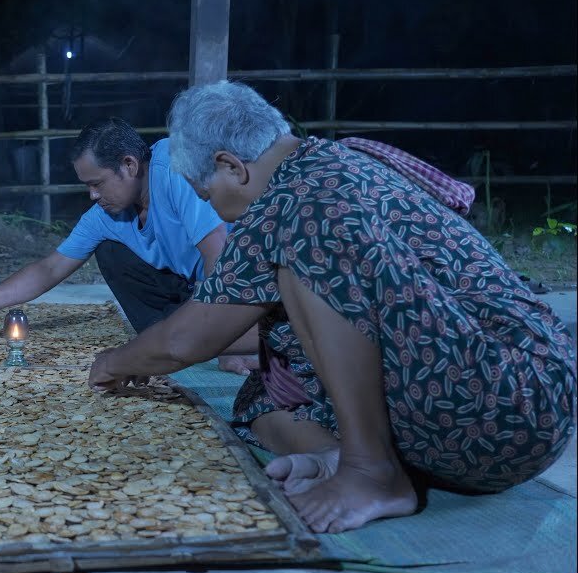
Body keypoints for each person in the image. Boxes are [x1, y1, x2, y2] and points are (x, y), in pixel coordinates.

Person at [87, 80, 576, 533]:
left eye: (208, 193)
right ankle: (334, 455)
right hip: (506, 402)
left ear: (232, 167)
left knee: (306, 247)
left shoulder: (299, 198)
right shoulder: (327, 162)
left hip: (509, 394)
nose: (213, 208)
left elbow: (186, 340)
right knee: (263, 398)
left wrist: (115, 362)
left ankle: (371, 470)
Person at [0, 117, 259, 374]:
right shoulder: (106, 215)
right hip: (190, 290)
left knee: (219, 321)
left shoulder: (173, 169)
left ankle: (222, 340)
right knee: (109, 251)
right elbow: (50, 268)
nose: (92, 195)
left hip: (247, 280)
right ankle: (177, 340)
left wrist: (219, 335)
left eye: (97, 183)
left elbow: (220, 260)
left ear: (129, 165)